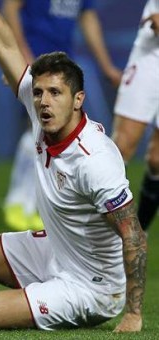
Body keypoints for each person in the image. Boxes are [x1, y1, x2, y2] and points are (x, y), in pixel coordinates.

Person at [0, 0, 146, 332]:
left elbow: (134, 236)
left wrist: (132, 313)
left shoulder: (94, 160)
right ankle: (24, 301)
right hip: (53, 251)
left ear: (78, 99)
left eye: (56, 93)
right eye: (39, 93)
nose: (45, 102)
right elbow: (2, 41)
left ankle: (0, 306)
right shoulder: (41, 110)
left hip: (92, 286)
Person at [0, 0, 121, 231]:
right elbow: (10, 8)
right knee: (38, 127)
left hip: (64, 64)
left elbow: (88, 18)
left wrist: (105, 66)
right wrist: (21, 59)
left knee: (50, 132)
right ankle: (18, 202)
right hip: (35, 57)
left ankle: (31, 204)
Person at [111, 0, 159, 231]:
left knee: (157, 160)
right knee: (122, 146)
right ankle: (90, 230)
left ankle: (137, 235)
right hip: (151, 55)